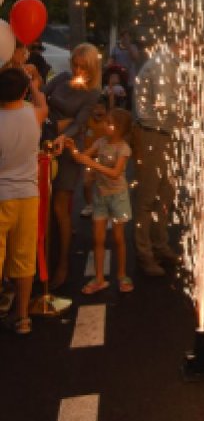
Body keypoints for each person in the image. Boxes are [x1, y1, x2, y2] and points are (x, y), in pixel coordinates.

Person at [45, 43, 102, 288]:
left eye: (83, 66)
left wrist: (63, 133)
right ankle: (45, 258)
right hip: (44, 139)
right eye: (75, 64)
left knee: (60, 205)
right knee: (43, 205)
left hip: (67, 148)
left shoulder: (92, 92)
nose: (78, 70)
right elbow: (40, 94)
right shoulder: (63, 78)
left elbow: (79, 123)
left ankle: (63, 264)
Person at [0, 67, 47, 334]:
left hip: (1, 195)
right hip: (28, 196)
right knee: (24, 257)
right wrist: (35, 85)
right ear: (24, 91)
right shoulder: (34, 115)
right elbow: (42, 103)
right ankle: (23, 318)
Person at [71, 108, 134, 294]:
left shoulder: (123, 148)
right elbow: (82, 157)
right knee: (98, 239)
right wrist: (71, 147)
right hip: (100, 196)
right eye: (105, 122)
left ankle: (122, 274)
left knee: (118, 238)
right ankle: (99, 278)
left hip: (118, 197)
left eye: (109, 123)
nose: (105, 126)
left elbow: (115, 173)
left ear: (120, 129)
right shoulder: (100, 142)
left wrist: (92, 164)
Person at [133, 42, 180, 276]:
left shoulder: (174, 63)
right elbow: (165, 103)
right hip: (153, 135)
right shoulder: (163, 64)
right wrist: (198, 108)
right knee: (148, 197)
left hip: (167, 134)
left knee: (165, 195)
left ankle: (160, 245)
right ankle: (145, 254)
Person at [110, 30, 141, 107]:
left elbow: (136, 57)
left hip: (130, 79)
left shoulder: (133, 47)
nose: (125, 39)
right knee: (118, 99)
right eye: (123, 37)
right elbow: (111, 60)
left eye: (127, 37)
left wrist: (128, 47)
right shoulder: (115, 49)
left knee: (128, 101)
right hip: (119, 79)